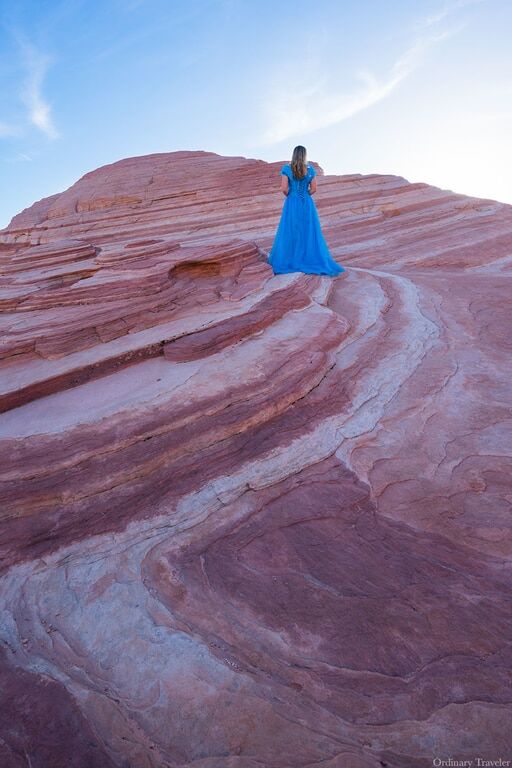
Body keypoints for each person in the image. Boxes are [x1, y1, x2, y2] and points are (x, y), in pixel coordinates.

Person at [267, 145, 345, 277]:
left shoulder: (287, 168)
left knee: (291, 230)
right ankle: (308, 258)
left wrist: (292, 195)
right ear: (305, 155)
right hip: (306, 203)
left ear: (294, 154)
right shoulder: (309, 169)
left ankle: (290, 259)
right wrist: (304, 194)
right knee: (308, 230)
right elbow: (314, 189)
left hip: (292, 202)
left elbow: (284, 188)